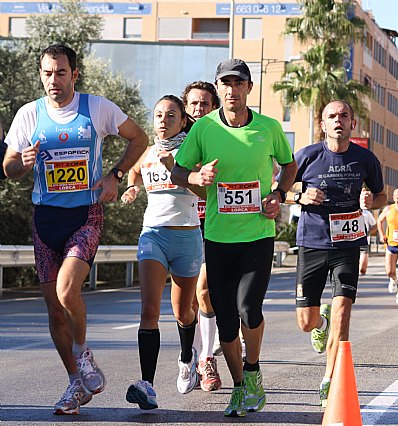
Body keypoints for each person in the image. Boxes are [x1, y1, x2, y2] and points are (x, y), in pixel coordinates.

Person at [2, 44, 147, 414]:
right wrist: (22, 162)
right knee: (54, 310)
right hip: (45, 219)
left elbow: (139, 137)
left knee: (67, 291)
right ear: (41, 74)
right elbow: (9, 168)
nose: (54, 80)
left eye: (61, 73)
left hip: (85, 214)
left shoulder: (96, 108)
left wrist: (114, 175)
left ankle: (83, 355)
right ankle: (74, 384)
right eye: (48, 73)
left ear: (74, 74)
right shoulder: (29, 114)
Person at [171, 58, 297, 417]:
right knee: (225, 320)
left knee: (248, 309)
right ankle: (240, 387)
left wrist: (279, 193)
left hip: (258, 234)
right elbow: (180, 171)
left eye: (238, 83)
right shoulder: (204, 129)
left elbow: (289, 166)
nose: (231, 90)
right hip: (219, 236)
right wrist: (197, 180)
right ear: (219, 88)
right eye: (225, 84)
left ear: (248, 88)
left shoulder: (268, 128)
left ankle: (253, 373)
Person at [289, 100, 385, 408]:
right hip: (312, 242)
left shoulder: (365, 159)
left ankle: (329, 380)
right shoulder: (306, 156)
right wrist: (301, 195)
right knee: (305, 321)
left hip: (347, 244)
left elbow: (382, 195)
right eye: (332, 116)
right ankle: (320, 325)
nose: (338, 120)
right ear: (323, 124)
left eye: (344, 115)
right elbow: (279, 189)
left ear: (352, 124)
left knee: (343, 315)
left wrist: (372, 201)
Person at [120, 95, 205, 409]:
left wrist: (177, 171)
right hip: (153, 235)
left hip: (186, 239)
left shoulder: (191, 151)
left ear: (183, 120)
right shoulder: (147, 151)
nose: (163, 120)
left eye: (171, 115)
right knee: (148, 311)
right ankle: (148, 386)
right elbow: (136, 173)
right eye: (158, 114)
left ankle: (186, 357)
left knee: (184, 312)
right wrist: (132, 188)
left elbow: (205, 191)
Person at [181, 81, 223, 392]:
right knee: (186, 302)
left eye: (205, 104)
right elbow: (145, 166)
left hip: (213, 224)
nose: (199, 109)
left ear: (214, 107)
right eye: (193, 104)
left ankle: (207, 358)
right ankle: (191, 355)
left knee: (204, 289)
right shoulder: (173, 141)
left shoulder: (220, 138)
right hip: (180, 226)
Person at [359, 191, 378, 275]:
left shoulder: (367, 213)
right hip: (351, 241)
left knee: (363, 270)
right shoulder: (350, 212)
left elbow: (375, 225)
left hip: (364, 241)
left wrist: (368, 232)